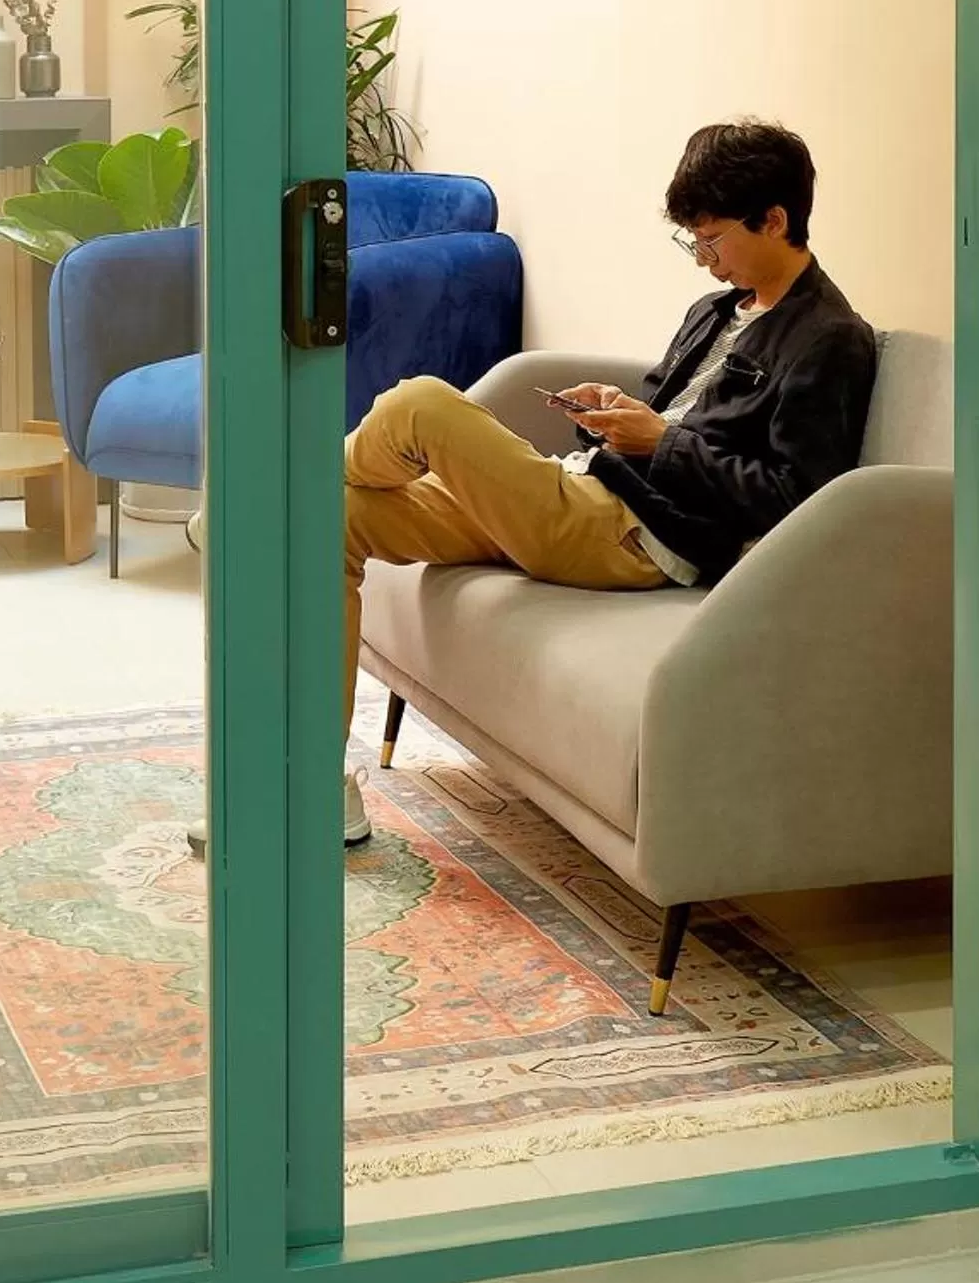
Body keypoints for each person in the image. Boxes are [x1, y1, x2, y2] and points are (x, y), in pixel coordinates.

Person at [340, 120, 878, 844]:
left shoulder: (829, 338)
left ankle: (253, 505)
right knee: (332, 515)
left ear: (774, 220)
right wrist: (619, 414)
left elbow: (796, 498)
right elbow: (660, 418)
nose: (702, 261)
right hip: (585, 490)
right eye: (693, 241)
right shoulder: (716, 311)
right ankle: (318, 788)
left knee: (420, 403)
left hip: (634, 536)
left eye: (712, 240)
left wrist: (663, 441)